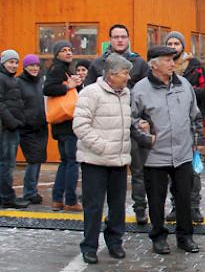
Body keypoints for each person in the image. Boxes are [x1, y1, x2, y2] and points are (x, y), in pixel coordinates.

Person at [131, 46, 203, 254]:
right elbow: (132, 120)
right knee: (156, 199)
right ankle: (159, 237)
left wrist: (198, 141)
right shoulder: (141, 89)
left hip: (182, 153)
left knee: (183, 197)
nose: (173, 64)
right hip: (154, 155)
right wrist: (145, 136)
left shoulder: (184, 84)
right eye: (167, 60)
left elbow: (195, 115)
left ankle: (185, 237)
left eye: (173, 60)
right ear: (154, 64)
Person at [85, 24, 150, 225]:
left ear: (128, 38)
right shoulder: (99, 64)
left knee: (139, 171)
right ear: (110, 39)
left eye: (123, 36)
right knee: (108, 173)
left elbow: (148, 93)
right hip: (108, 126)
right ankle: (112, 213)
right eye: (116, 37)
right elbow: (88, 91)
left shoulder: (139, 63)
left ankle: (140, 208)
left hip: (134, 123)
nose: (120, 40)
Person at [73, 54, 134, 264]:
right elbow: (80, 126)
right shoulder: (90, 93)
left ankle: (115, 242)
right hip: (95, 161)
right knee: (94, 206)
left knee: (117, 206)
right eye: (125, 73)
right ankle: (89, 246)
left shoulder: (126, 94)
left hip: (119, 161)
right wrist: (103, 147)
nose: (128, 77)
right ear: (111, 75)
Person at [164, 31, 205, 223]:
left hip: (192, 122)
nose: (174, 46)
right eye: (171, 43)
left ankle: (194, 207)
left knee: (192, 170)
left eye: (177, 43)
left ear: (183, 46)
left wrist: (188, 92)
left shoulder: (194, 66)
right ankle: (176, 207)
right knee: (171, 169)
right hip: (168, 124)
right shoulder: (161, 67)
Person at [44, 41, 82, 212]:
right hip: (67, 122)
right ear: (56, 54)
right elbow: (48, 88)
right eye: (63, 50)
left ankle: (57, 199)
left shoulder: (64, 69)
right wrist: (69, 86)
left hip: (62, 123)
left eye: (69, 49)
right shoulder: (58, 68)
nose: (68, 52)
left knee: (65, 162)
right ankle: (71, 200)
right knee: (72, 162)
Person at [0, 50, 29, 209]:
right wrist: (13, 122)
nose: (13, 65)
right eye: (10, 62)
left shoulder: (11, 79)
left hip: (12, 127)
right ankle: (7, 197)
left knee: (6, 164)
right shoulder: (2, 78)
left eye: (16, 62)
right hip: (7, 129)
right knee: (7, 164)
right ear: (3, 62)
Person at [17, 54, 48, 205]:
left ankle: (32, 190)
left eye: (36, 65)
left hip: (41, 127)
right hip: (27, 128)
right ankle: (29, 192)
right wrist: (24, 120)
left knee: (38, 160)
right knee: (33, 160)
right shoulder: (19, 82)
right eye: (31, 65)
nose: (35, 68)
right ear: (25, 67)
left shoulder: (41, 81)